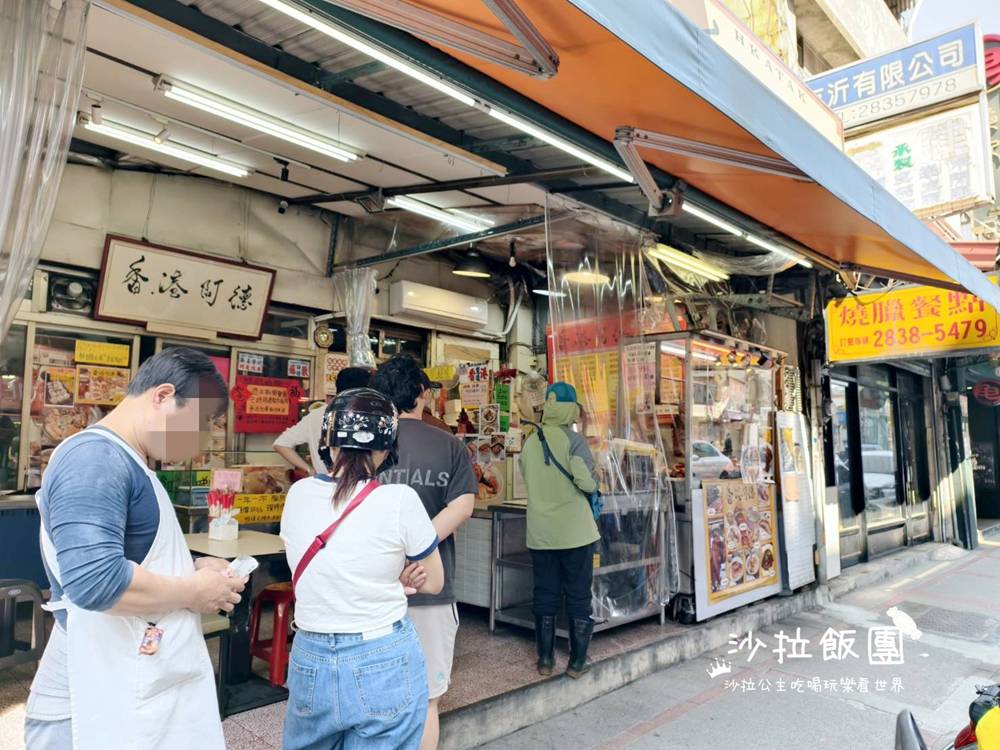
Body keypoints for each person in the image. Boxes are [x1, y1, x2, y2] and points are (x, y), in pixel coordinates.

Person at [24, 347, 247, 750]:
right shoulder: (94, 458)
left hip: (127, 683)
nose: (202, 441)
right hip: (91, 697)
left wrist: (193, 567)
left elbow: (130, 554)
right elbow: (97, 583)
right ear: (162, 396)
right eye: (202, 423)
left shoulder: (129, 459)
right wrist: (195, 592)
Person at [280, 388, 444, 750]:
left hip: (310, 655)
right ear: (386, 448)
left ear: (328, 443)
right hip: (381, 656)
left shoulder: (298, 495)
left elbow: (328, 565)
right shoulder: (400, 499)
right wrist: (396, 577)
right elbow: (433, 581)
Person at [371, 355, 477, 750]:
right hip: (432, 590)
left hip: (373, 590)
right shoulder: (449, 444)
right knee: (428, 700)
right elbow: (463, 506)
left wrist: (396, 552)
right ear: (421, 393)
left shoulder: (369, 446)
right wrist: (420, 548)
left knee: (376, 696)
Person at [519, 382, 600, 679]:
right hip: (576, 533)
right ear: (571, 408)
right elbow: (586, 482)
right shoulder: (574, 440)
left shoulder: (530, 441)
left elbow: (527, 476)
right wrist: (596, 480)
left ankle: (545, 659)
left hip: (541, 532)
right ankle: (577, 662)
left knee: (545, 592)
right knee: (578, 594)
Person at [273, 366, 372, 476]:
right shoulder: (367, 415)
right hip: (358, 486)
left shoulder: (317, 414)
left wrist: (310, 470)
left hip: (323, 485)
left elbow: (280, 444)